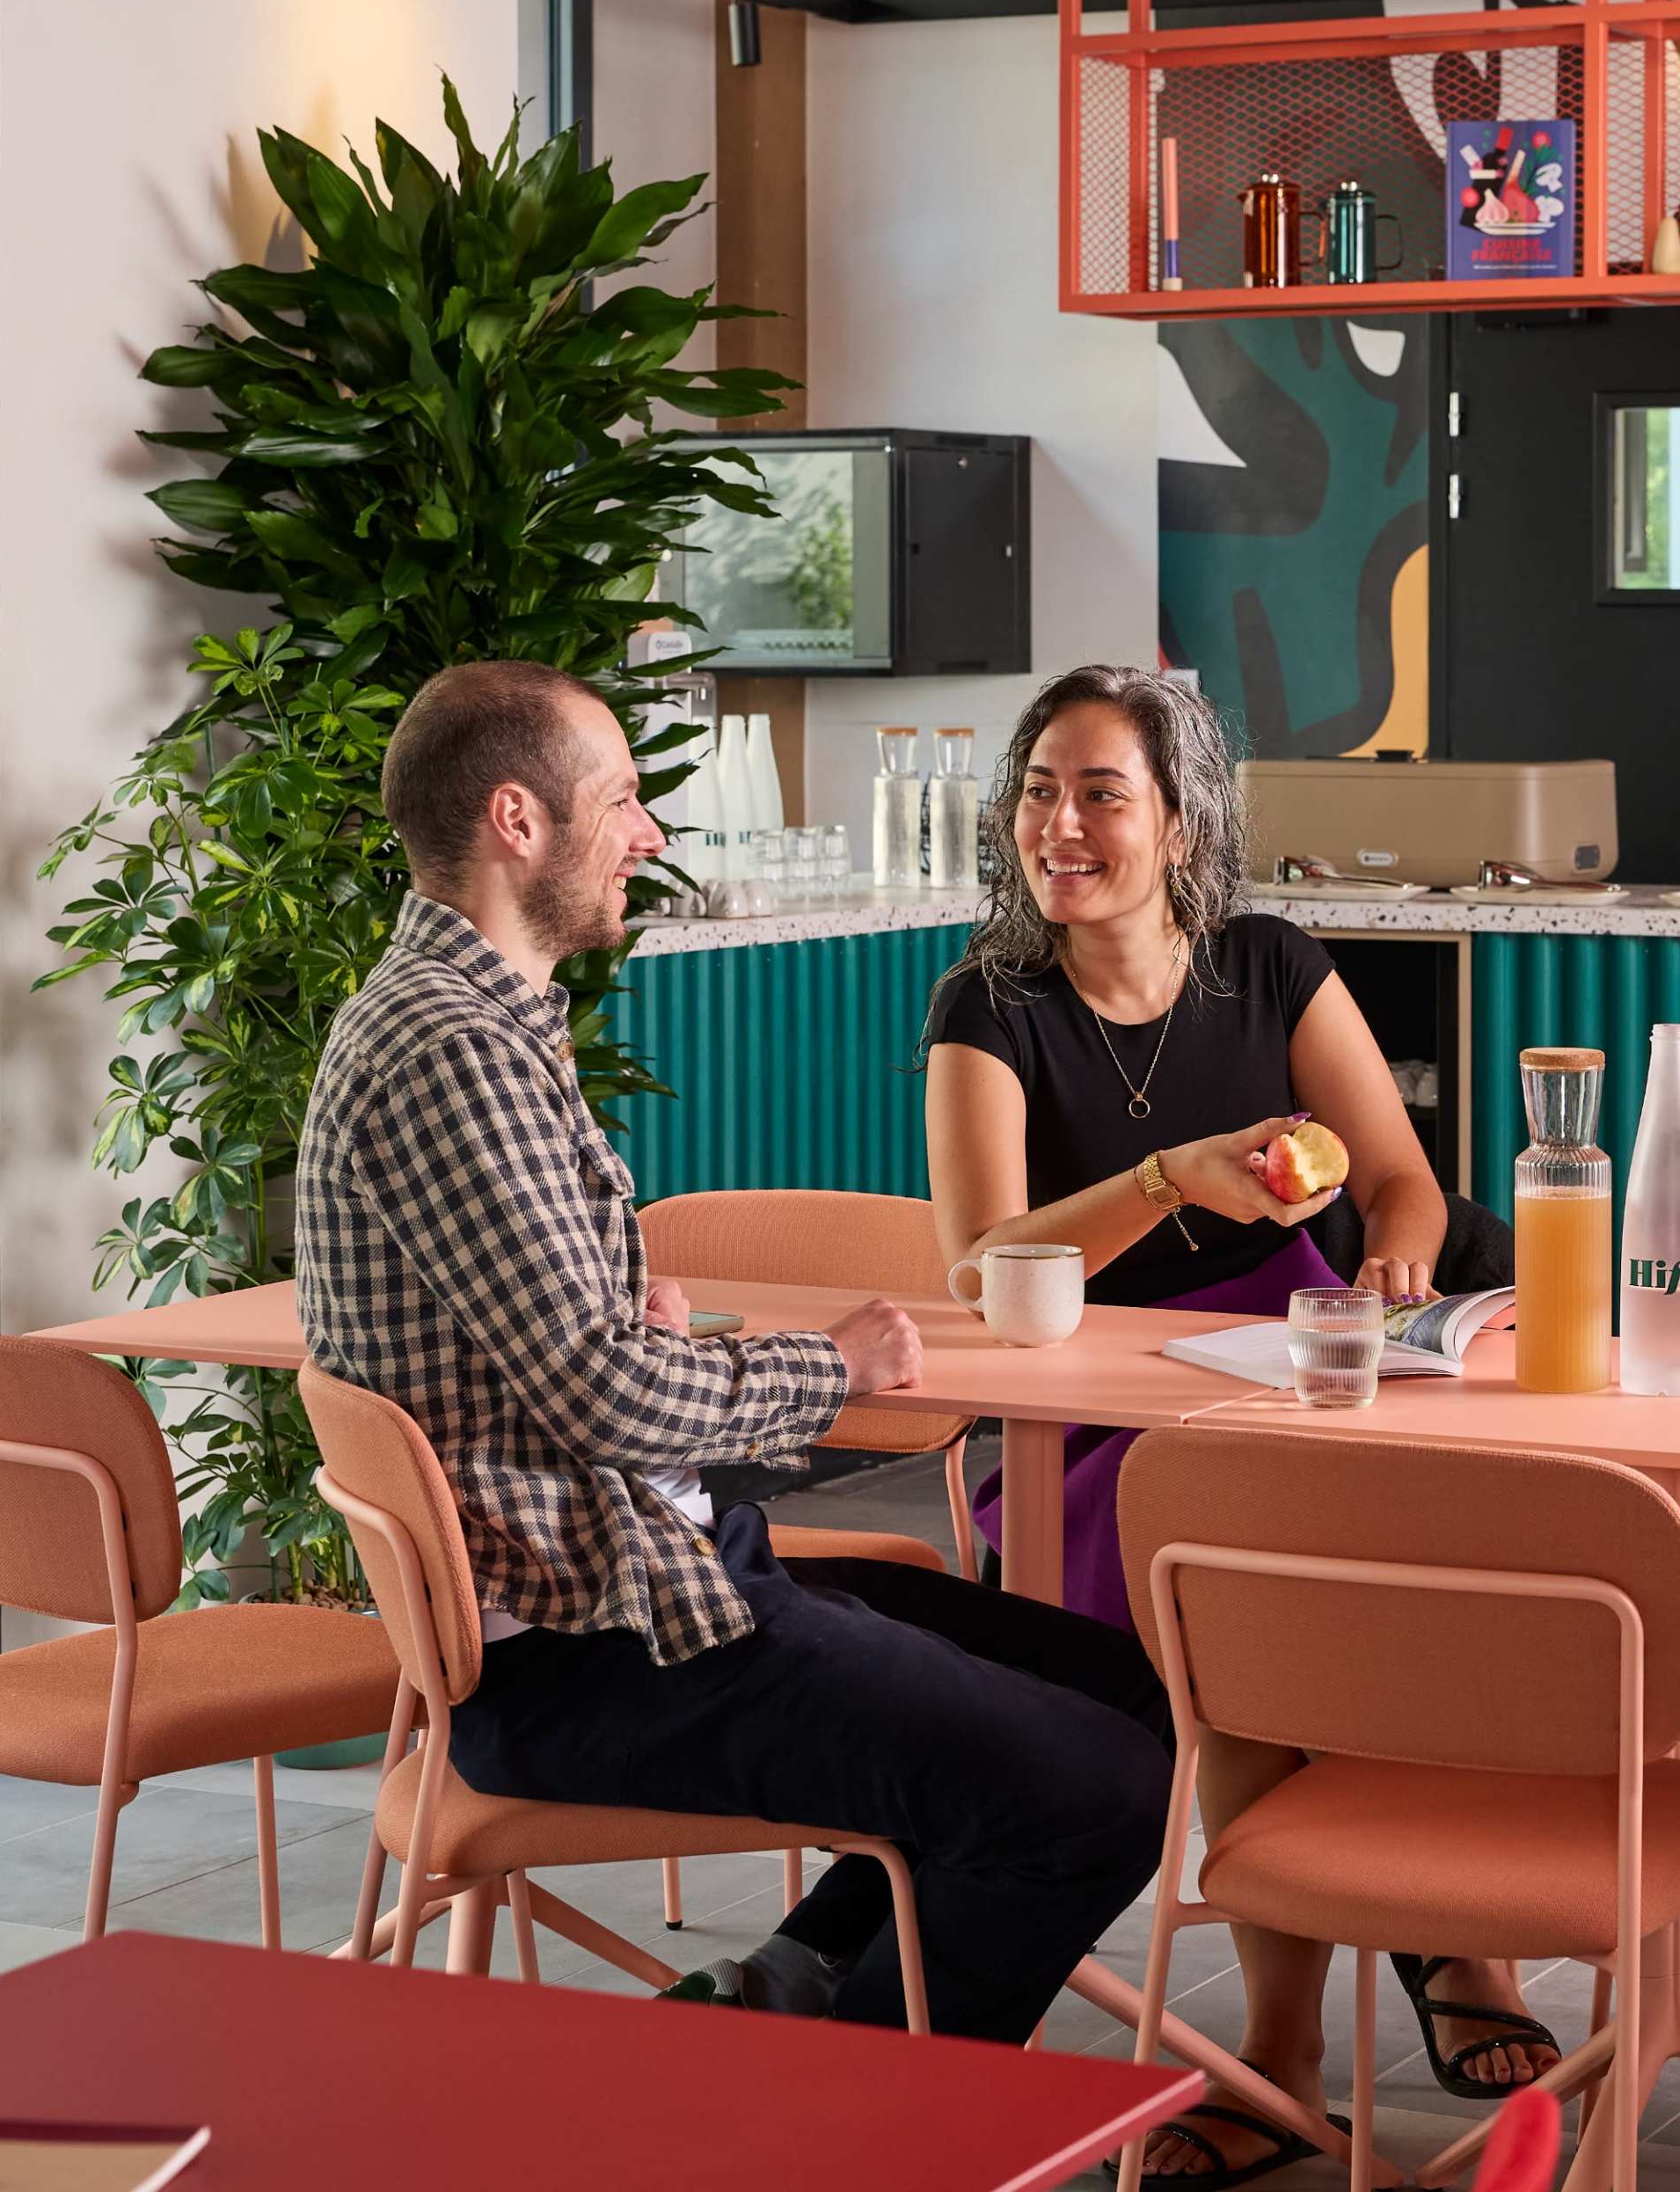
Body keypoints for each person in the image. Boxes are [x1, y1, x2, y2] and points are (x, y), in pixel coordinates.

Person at [297, 658, 1171, 2046]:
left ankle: (795, 1984)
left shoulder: (481, 1019)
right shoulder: (449, 1049)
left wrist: (643, 1321)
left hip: (650, 1576)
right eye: (625, 798)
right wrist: (836, 1365)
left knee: (1121, 1685)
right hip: (600, 1647)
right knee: (1097, 1794)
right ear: (518, 822)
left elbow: (569, 1358)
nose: (649, 832)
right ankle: (860, 2125)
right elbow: (597, 1390)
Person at [924, 664, 1559, 2184]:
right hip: (1077, 1431)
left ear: (1182, 817)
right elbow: (979, 1265)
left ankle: (1446, 1934)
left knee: (1461, 1569)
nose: (1059, 826)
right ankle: (1286, 2047)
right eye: (1040, 792)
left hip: (1293, 1373)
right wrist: (1166, 1181)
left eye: (1100, 794)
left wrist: (1398, 1255)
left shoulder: (1269, 965)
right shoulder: (987, 1005)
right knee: (1263, 1593)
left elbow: (1400, 1177)